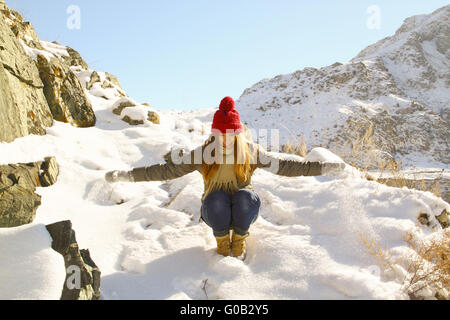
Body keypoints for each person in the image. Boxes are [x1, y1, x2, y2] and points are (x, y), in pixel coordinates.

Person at [105, 96, 345, 258]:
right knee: (217, 197)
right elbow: (166, 171)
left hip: (243, 209)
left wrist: (322, 168)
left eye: (231, 133)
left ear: (238, 133)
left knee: (244, 196)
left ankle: (239, 240)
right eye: (221, 133)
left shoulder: (249, 151)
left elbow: (285, 166)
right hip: (215, 211)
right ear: (214, 133)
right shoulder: (204, 154)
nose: (226, 138)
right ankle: (222, 243)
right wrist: (127, 175)